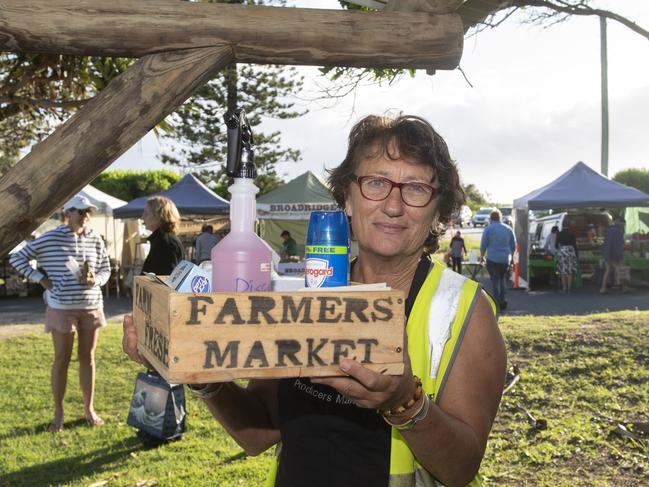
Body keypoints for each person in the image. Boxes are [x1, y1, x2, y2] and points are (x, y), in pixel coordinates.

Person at [123, 114, 507, 486]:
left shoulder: (463, 310)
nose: (393, 205)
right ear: (348, 199)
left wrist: (406, 401)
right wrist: (195, 370)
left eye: (416, 189)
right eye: (375, 183)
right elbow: (258, 432)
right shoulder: (304, 297)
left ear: (438, 211)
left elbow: (461, 469)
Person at [10, 195, 110, 432]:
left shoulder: (95, 237)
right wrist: (41, 279)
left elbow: (105, 268)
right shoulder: (50, 237)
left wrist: (96, 280)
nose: (86, 215)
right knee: (62, 359)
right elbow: (17, 257)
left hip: (91, 305)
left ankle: (89, 409)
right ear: (68, 213)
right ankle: (59, 413)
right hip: (61, 308)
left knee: (88, 357)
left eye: (89, 211)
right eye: (81, 211)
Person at [480, 209, 516, 311]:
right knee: (502, 278)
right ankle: (503, 298)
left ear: (491, 218)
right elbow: (513, 246)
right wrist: (512, 258)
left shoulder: (488, 229)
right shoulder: (508, 229)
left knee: (495, 279)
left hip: (492, 258)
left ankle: (496, 301)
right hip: (504, 259)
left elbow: (483, 245)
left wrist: (482, 257)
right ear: (500, 217)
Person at [141, 196, 185, 275]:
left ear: (158, 216)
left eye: (146, 213)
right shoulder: (162, 240)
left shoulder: (165, 242)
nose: (142, 217)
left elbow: (166, 279)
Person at [600, 218, 625, 294]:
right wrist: (620, 255)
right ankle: (623, 286)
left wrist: (606, 255)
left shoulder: (609, 230)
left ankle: (603, 288)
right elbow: (618, 245)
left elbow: (607, 243)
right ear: (621, 223)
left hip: (607, 254)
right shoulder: (618, 231)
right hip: (614, 255)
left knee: (608, 271)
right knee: (620, 269)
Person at [555, 226, 578, 293]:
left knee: (563, 270)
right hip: (571, 251)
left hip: (563, 251)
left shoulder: (559, 233)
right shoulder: (572, 233)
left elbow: (556, 245)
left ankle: (564, 287)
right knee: (569, 270)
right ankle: (569, 287)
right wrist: (576, 254)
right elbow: (574, 244)